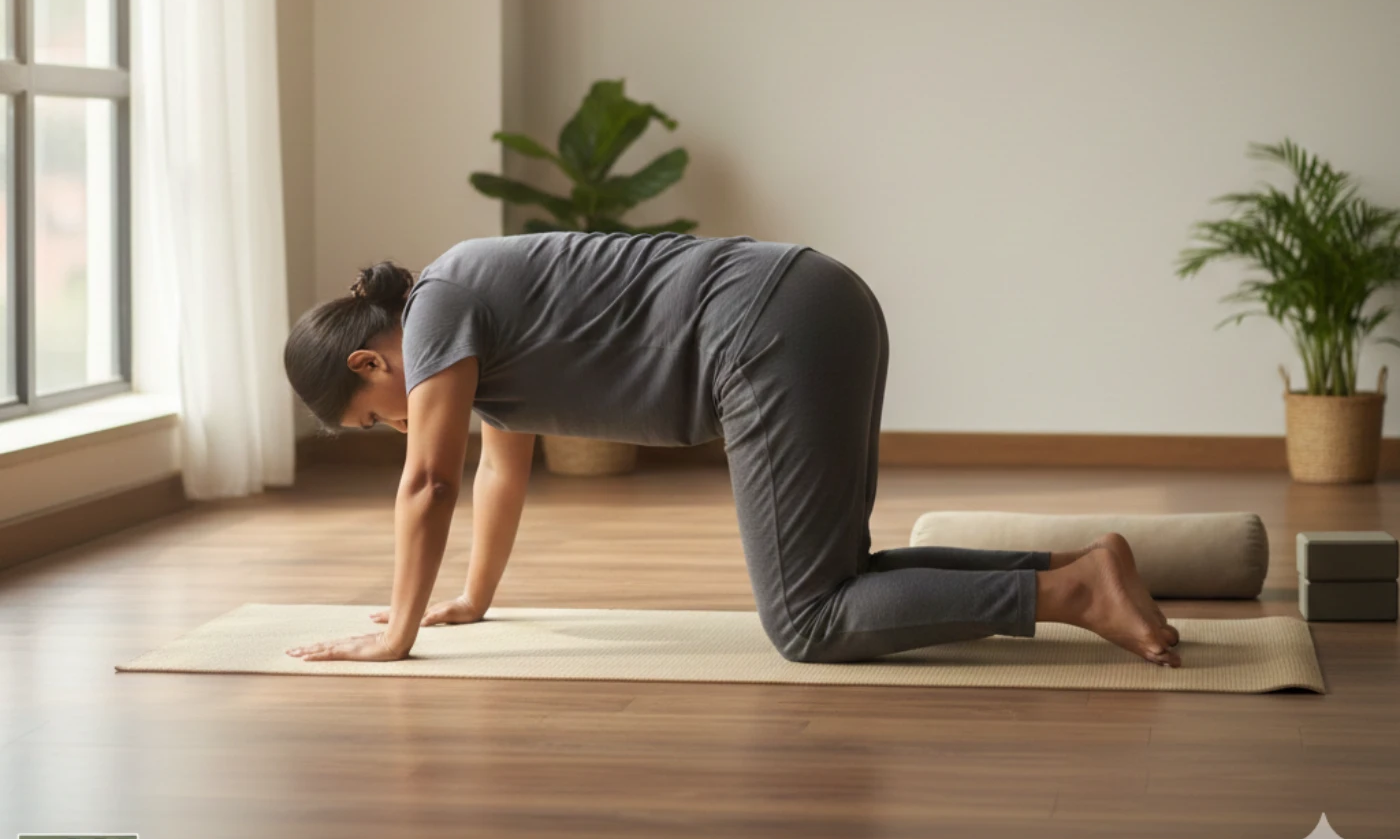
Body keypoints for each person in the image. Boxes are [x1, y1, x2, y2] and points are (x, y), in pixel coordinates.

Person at [281, 231, 1181, 668]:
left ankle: (1067, 594)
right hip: (814, 300)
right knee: (842, 576)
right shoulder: (476, 330)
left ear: (371, 360)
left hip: (764, 329)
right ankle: (1081, 565)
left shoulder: (440, 307)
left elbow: (430, 482)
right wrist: (471, 600)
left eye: (372, 416)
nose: (391, 429)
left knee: (806, 622)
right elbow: (497, 472)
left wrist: (395, 636)